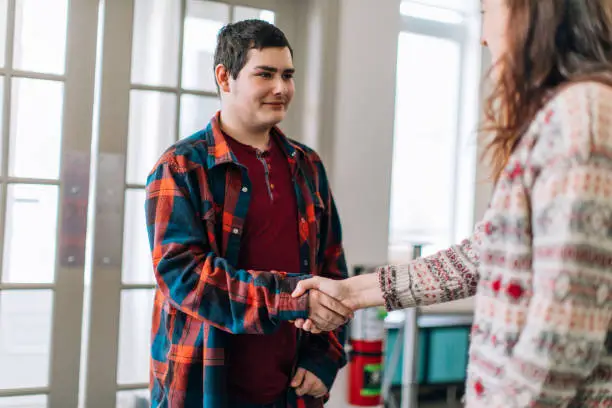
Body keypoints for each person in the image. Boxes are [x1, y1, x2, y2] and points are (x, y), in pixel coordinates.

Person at [292, 0, 612, 406]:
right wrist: (351, 293)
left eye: (486, 13)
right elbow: (476, 257)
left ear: (527, 11)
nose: (482, 36)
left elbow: (564, 333)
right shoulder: (562, 115)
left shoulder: (581, 114)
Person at [145, 19, 351, 408]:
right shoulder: (182, 167)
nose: (281, 88)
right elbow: (185, 277)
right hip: (204, 384)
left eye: (287, 75)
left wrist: (324, 358)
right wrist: (291, 299)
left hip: (291, 390)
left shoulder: (308, 165)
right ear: (225, 77)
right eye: (265, 74)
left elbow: (332, 270)